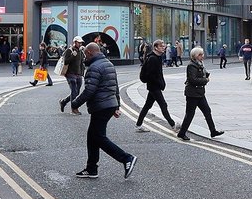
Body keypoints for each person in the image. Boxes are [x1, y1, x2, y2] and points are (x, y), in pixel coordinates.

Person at [71, 42, 138, 179]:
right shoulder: (108, 64)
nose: (84, 57)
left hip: (100, 105)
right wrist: (116, 106)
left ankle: (126, 158)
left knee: (98, 137)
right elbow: (115, 86)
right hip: (108, 104)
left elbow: (89, 90)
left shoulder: (94, 67)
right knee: (92, 137)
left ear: (90, 52)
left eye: (85, 54)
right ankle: (91, 169)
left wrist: (75, 103)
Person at [176, 47, 224, 141]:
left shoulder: (200, 64)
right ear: (195, 56)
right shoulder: (191, 65)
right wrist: (205, 80)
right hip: (192, 94)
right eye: (200, 55)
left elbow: (201, 75)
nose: (202, 56)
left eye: (202, 54)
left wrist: (205, 75)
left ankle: (213, 131)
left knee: (207, 111)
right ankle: (182, 133)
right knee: (190, 114)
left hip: (200, 93)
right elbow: (192, 80)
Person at [136, 39, 176, 129]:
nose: (163, 47)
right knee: (163, 105)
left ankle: (138, 125)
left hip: (154, 86)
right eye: (161, 46)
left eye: (163, 46)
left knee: (147, 106)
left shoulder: (157, 57)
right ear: (155, 47)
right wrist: (160, 83)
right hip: (154, 87)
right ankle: (173, 124)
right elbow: (151, 75)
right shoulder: (153, 58)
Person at [58, 37, 86, 114]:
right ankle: (74, 109)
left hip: (78, 74)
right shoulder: (69, 50)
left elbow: (81, 63)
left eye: (81, 43)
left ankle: (63, 102)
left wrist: (82, 73)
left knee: (77, 93)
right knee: (74, 91)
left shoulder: (80, 51)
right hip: (70, 74)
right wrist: (73, 56)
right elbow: (66, 62)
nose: (80, 44)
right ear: (75, 42)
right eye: (79, 42)